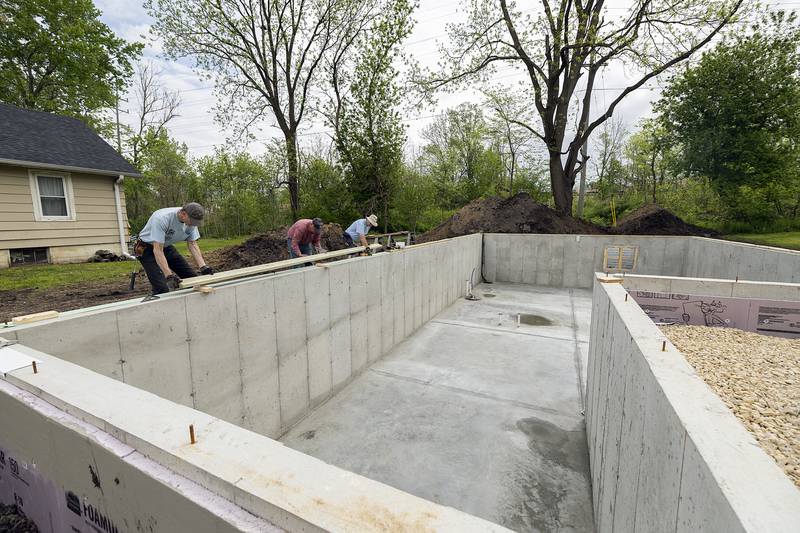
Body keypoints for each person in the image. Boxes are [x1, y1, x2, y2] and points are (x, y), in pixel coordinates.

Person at [135, 202, 213, 295]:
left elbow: (192, 243)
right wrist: (169, 276)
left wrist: (203, 267)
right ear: (184, 214)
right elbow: (157, 250)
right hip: (147, 248)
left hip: (165, 246)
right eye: (192, 222)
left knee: (193, 279)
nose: (193, 225)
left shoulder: (191, 221)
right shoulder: (162, 218)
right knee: (162, 288)